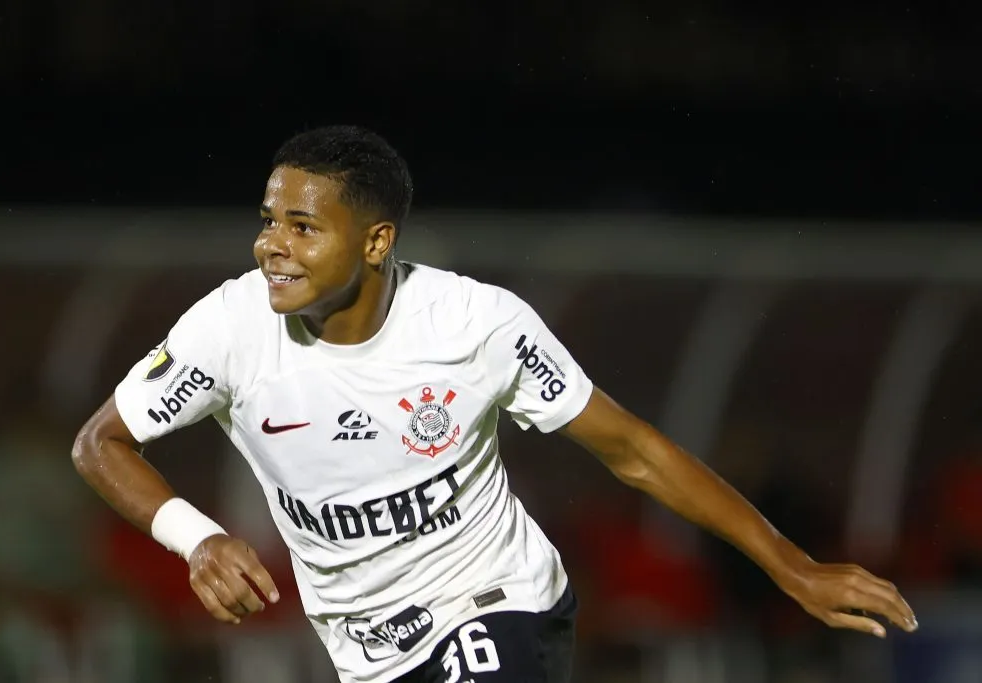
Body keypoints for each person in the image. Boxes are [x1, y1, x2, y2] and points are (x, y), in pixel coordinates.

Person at [72, 124, 917, 683]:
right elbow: (100, 443)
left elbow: (632, 449)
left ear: (376, 242)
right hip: (365, 647)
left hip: (497, 603)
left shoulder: (475, 325)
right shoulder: (230, 326)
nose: (271, 245)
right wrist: (200, 537)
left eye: (302, 226)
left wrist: (790, 563)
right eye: (267, 220)